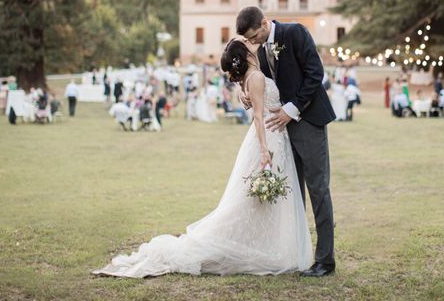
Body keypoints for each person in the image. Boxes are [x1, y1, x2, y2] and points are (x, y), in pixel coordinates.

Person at [93, 37, 311, 277]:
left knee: (255, 201)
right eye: (249, 47)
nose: (253, 46)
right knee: (248, 201)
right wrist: (263, 150)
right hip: (268, 138)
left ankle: (265, 244)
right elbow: (258, 117)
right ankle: (244, 246)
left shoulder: (251, 77)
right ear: (246, 56)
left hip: (274, 137)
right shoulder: (256, 78)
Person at [237, 7, 336, 277]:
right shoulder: (259, 49)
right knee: (293, 194)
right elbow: (257, 80)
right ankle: (297, 254)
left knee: (318, 189)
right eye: (250, 39)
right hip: (281, 132)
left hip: (308, 121)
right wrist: (242, 94)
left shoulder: (296, 33)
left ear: (265, 23)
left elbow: (315, 75)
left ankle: (325, 260)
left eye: (256, 36)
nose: (254, 42)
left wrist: (291, 110)